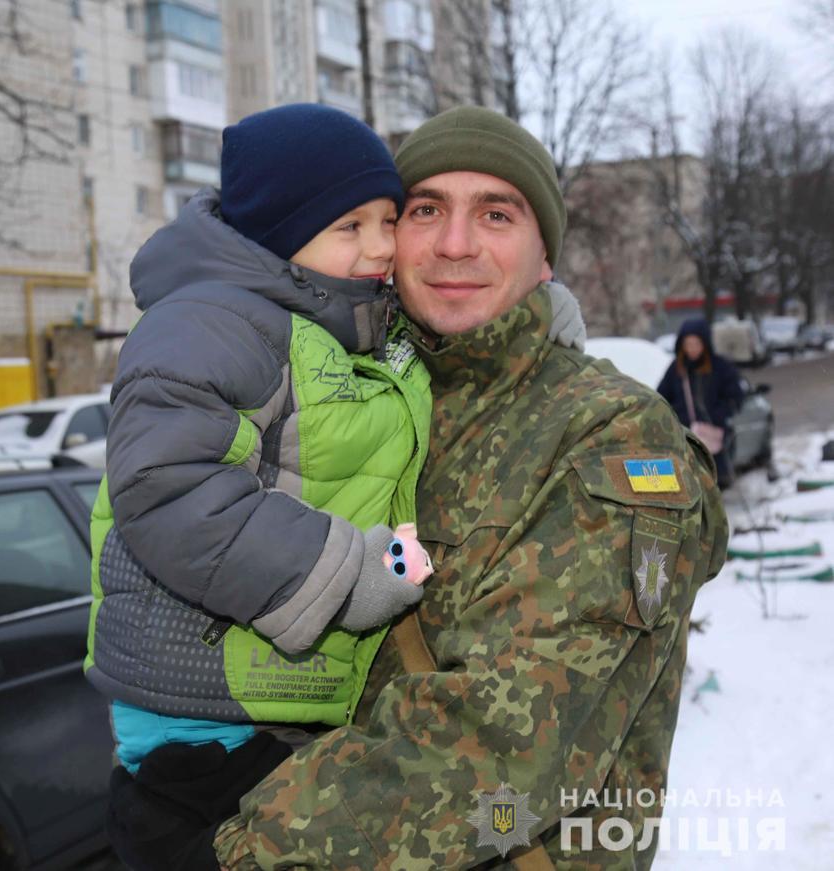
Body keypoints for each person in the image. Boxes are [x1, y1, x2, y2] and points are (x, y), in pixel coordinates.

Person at [109, 107, 729, 870]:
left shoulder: (610, 438)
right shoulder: (370, 382)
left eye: (496, 213)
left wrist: (238, 850)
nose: (454, 243)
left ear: (545, 259)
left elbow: (501, 738)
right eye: (423, 210)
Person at [85, 104, 444, 868]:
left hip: (282, 707)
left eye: (388, 219)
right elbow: (171, 488)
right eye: (351, 226)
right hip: (205, 731)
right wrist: (349, 575)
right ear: (277, 235)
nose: (382, 246)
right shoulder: (213, 322)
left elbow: (459, 339)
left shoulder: (345, 324)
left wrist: (542, 317)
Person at [657, 317, 744, 488]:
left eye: (696, 343)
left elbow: (735, 398)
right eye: (688, 344)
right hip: (685, 439)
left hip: (714, 438)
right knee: (689, 486)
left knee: (715, 485)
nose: (692, 349)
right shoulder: (677, 369)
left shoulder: (720, 367)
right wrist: (676, 416)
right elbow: (661, 398)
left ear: (705, 343)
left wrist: (718, 415)